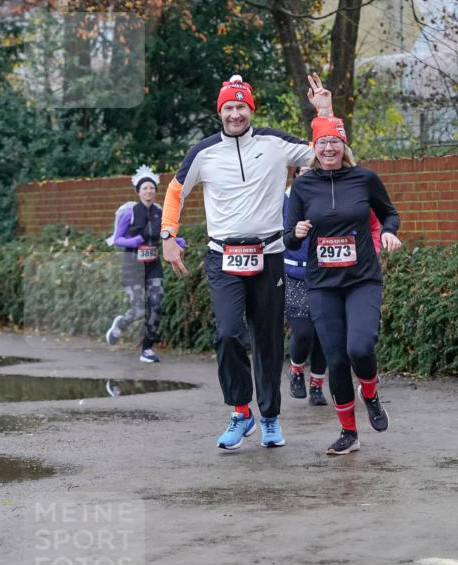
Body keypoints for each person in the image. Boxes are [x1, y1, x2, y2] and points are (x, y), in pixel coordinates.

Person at [161, 73, 332, 451]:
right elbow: (175, 191)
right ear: (219, 112)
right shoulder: (203, 152)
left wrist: (324, 111)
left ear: (250, 109)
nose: (235, 113)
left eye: (241, 107)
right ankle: (241, 412)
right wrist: (168, 236)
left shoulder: (275, 143)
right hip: (223, 258)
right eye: (229, 107)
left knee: (268, 340)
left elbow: (326, 153)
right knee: (227, 333)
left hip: (270, 256)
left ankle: (270, 417)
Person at [284, 117, 402, 455]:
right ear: (315, 149)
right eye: (322, 143)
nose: (329, 148)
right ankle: (348, 433)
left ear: (344, 147)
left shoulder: (364, 178)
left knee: (360, 349)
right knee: (335, 360)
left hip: (362, 279)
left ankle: (371, 393)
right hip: (322, 284)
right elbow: (288, 238)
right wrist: (299, 233)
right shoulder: (304, 187)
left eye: (335, 142)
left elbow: (389, 214)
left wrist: (390, 232)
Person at [105, 166, 184, 363]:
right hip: (132, 265)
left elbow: (167, 234)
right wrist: (132, 242)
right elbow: (117, 239)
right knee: (139, 309)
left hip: (153, 265)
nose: (149, 191)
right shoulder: (129, 212)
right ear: (138, 191)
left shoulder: (160, 212)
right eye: (145, 188)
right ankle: (121, 323)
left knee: (156, 305)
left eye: (152, 188)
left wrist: (177, 241)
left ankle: (147, 349)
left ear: (155, 192)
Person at [283, 169, 328, 406]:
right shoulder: (284, 199)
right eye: (303, 170)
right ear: (295, 174)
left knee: (324, 333)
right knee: (304, 331)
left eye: (312, 168)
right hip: (295, 274)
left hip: (324, 273)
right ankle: (296, 369)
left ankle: (317, 385)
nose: (308, 173)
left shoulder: (328, 196)